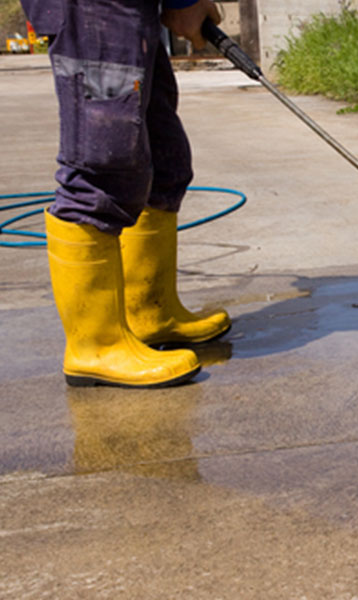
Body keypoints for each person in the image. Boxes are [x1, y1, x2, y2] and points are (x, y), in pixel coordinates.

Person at [21, 0, 230, 388]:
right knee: (104, 162)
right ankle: (95, 345)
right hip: (93, 9)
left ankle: (149, 313)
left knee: (165, 157)